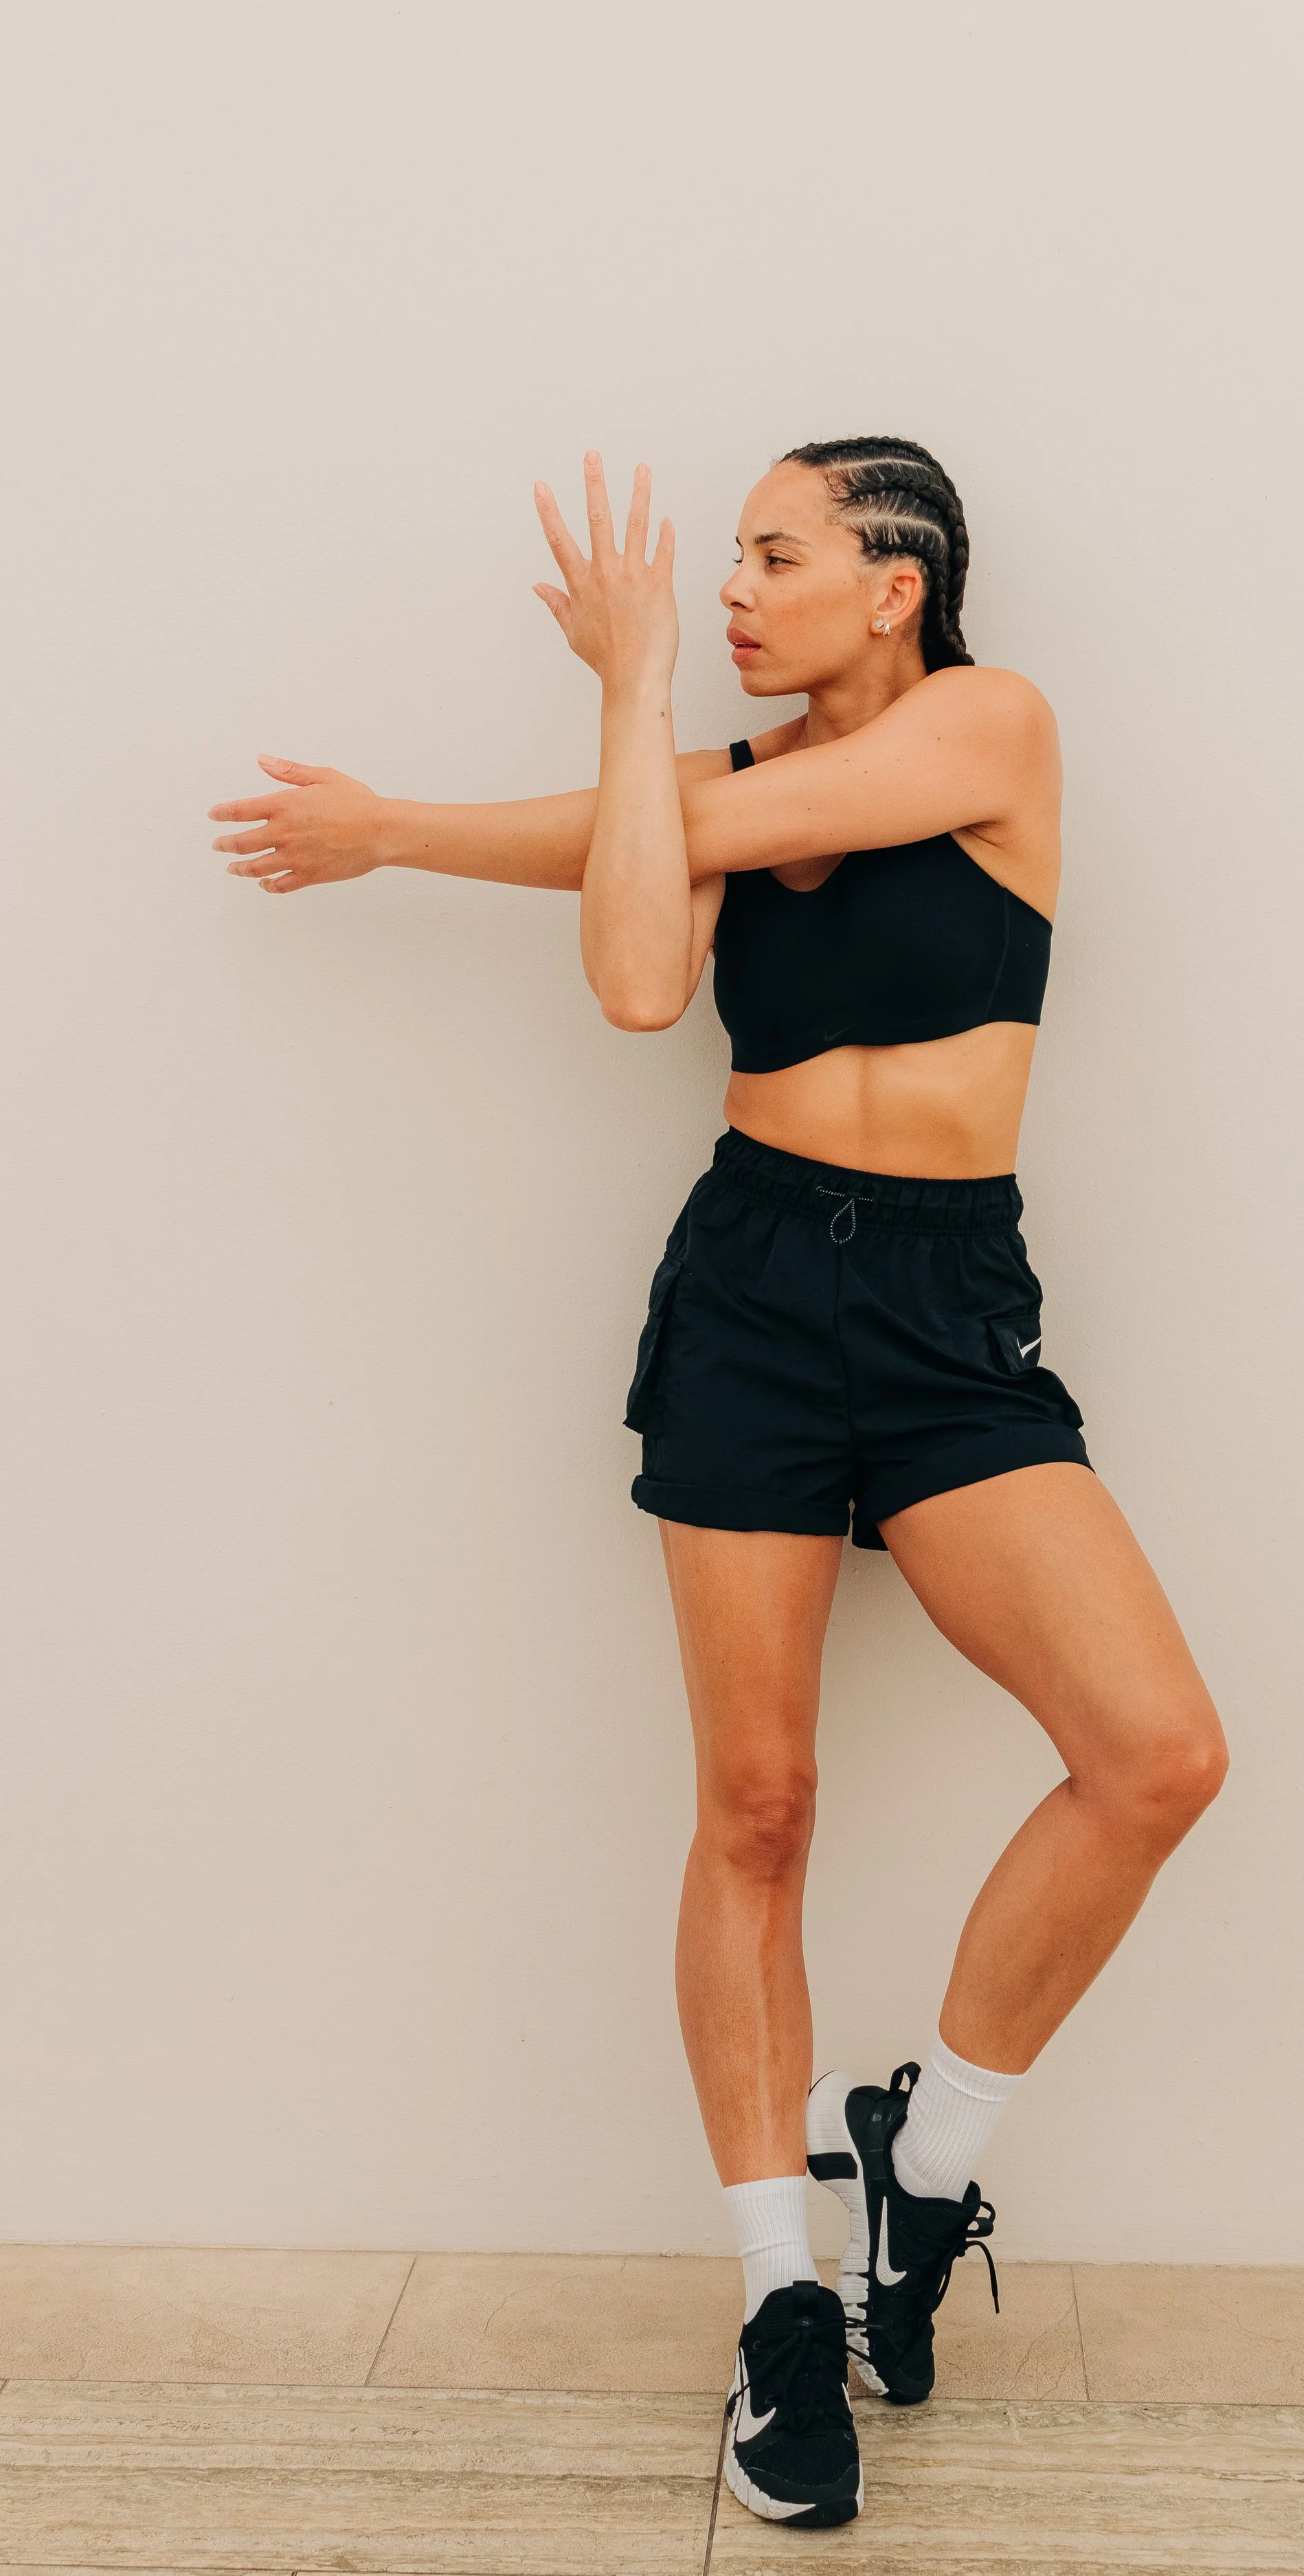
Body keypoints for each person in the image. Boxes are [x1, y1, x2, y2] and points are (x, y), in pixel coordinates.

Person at [210, 435, 1230, 2531]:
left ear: (899, 578)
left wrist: (475, 796)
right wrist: (475, 783)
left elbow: (688, 829)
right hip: (758, 1287)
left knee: (1154, 1751)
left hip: (951, 1318)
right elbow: (639, 972)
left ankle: (922, 2157)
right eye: (729, 567)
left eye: (778, 553)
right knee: (755, 1802)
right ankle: (782, 2308)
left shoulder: (986, 724)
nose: (741, 588)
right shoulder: (708, 774)